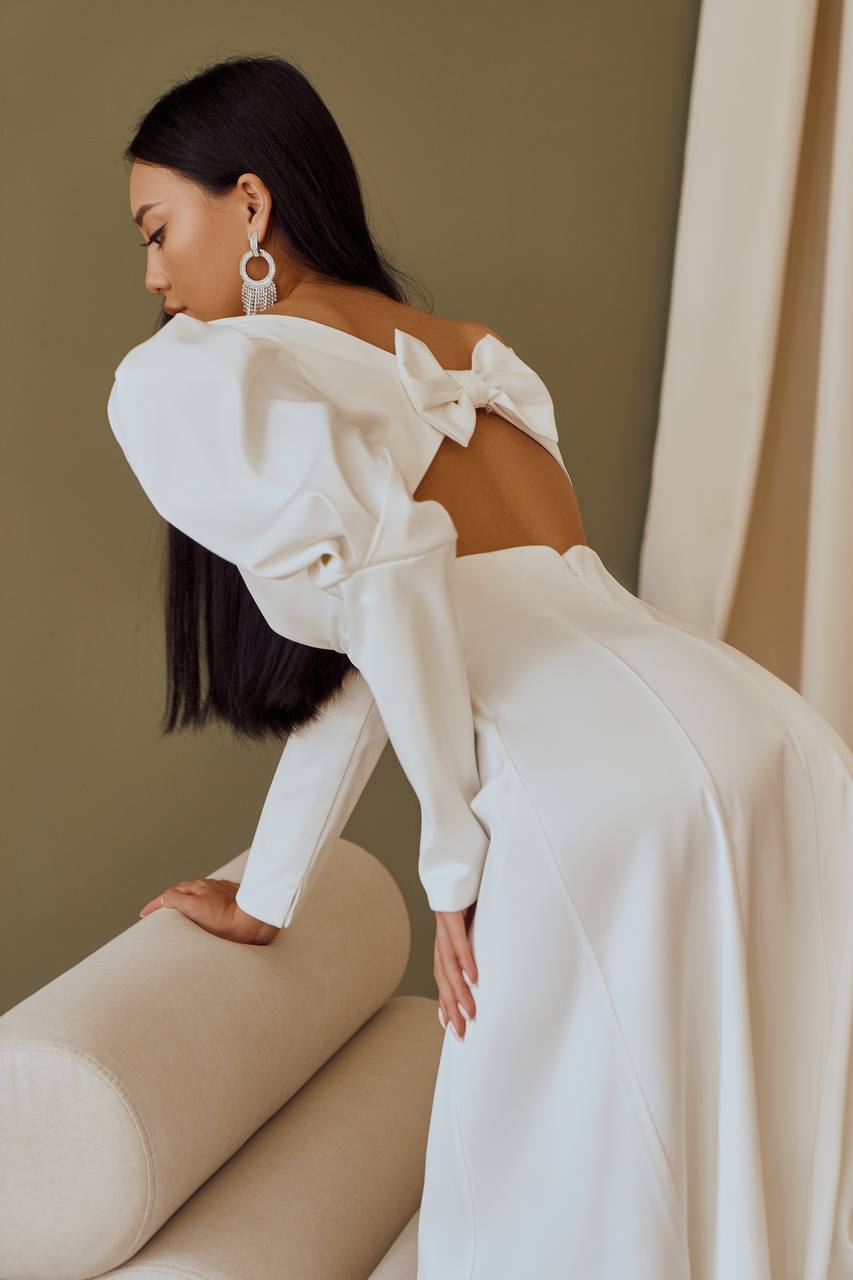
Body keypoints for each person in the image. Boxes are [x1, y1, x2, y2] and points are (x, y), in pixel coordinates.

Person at [106, 54, 853, 1280]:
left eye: (156, 230)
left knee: (557, 1207)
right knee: (752, 1159)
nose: (152, 277)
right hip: (767, 738)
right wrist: (273, 887)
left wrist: (451, 860)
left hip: (585, 799)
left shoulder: (202, 371)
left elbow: (398, 582)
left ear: (248, 204)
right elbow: (388, 643)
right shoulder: (476, 355)